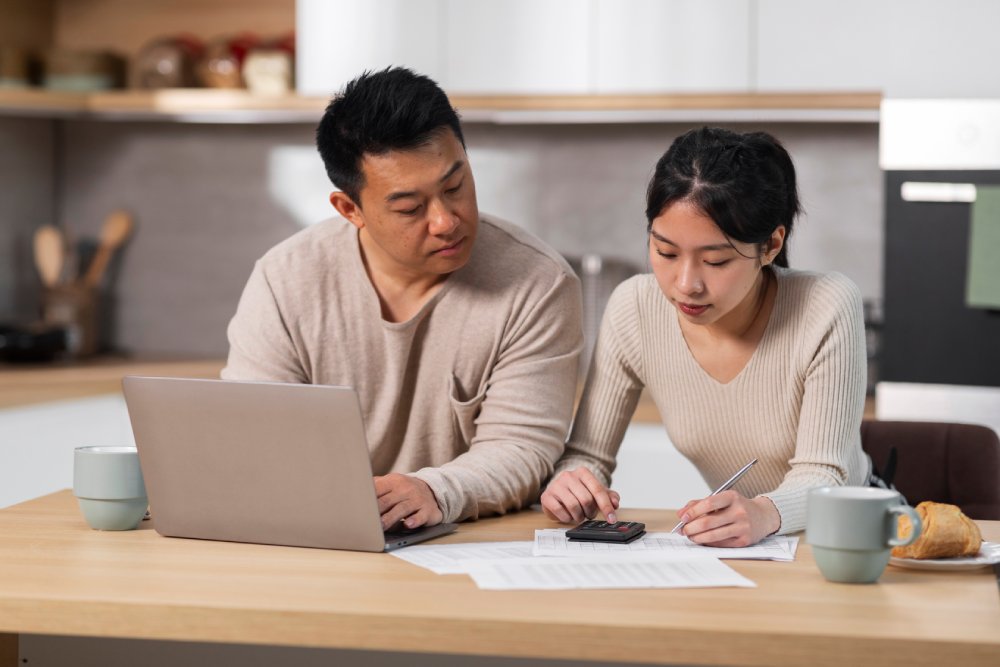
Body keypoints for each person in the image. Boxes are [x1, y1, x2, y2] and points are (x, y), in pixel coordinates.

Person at [222, 67, 583, 531]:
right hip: (318, 537)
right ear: (350, 209)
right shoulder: (285, 279)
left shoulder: (538, 282)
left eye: (455, 187)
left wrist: (435, 490)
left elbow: (523, 448)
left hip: (467, 545)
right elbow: (253, 436)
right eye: (410, 208)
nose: (446, 221)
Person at [541, 127, 872, 547]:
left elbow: (825, 474)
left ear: (770, 245)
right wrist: (572, 484)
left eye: (715, 261)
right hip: (751, 547)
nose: (685, 284)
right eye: (665, 252)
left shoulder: (826, 305)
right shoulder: (635, 309)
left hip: (851, 536)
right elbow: (587, 454)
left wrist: (764, 513)